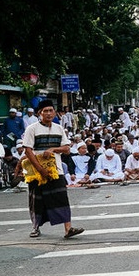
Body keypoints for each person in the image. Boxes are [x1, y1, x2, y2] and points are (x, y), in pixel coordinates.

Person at [22, 100, 84, 239]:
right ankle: (35, 228)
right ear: (40, 113)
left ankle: (68, 229)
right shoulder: (32, 129)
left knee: (61, 197)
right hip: (36, 172)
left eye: (51, 110)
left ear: (55, 112)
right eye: (46, 111)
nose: (49, 113)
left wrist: (53, 149)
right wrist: (39, 169)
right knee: (36, 199)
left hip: (56, 169)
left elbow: (67, 149)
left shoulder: (59, 128)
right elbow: (28, 150)